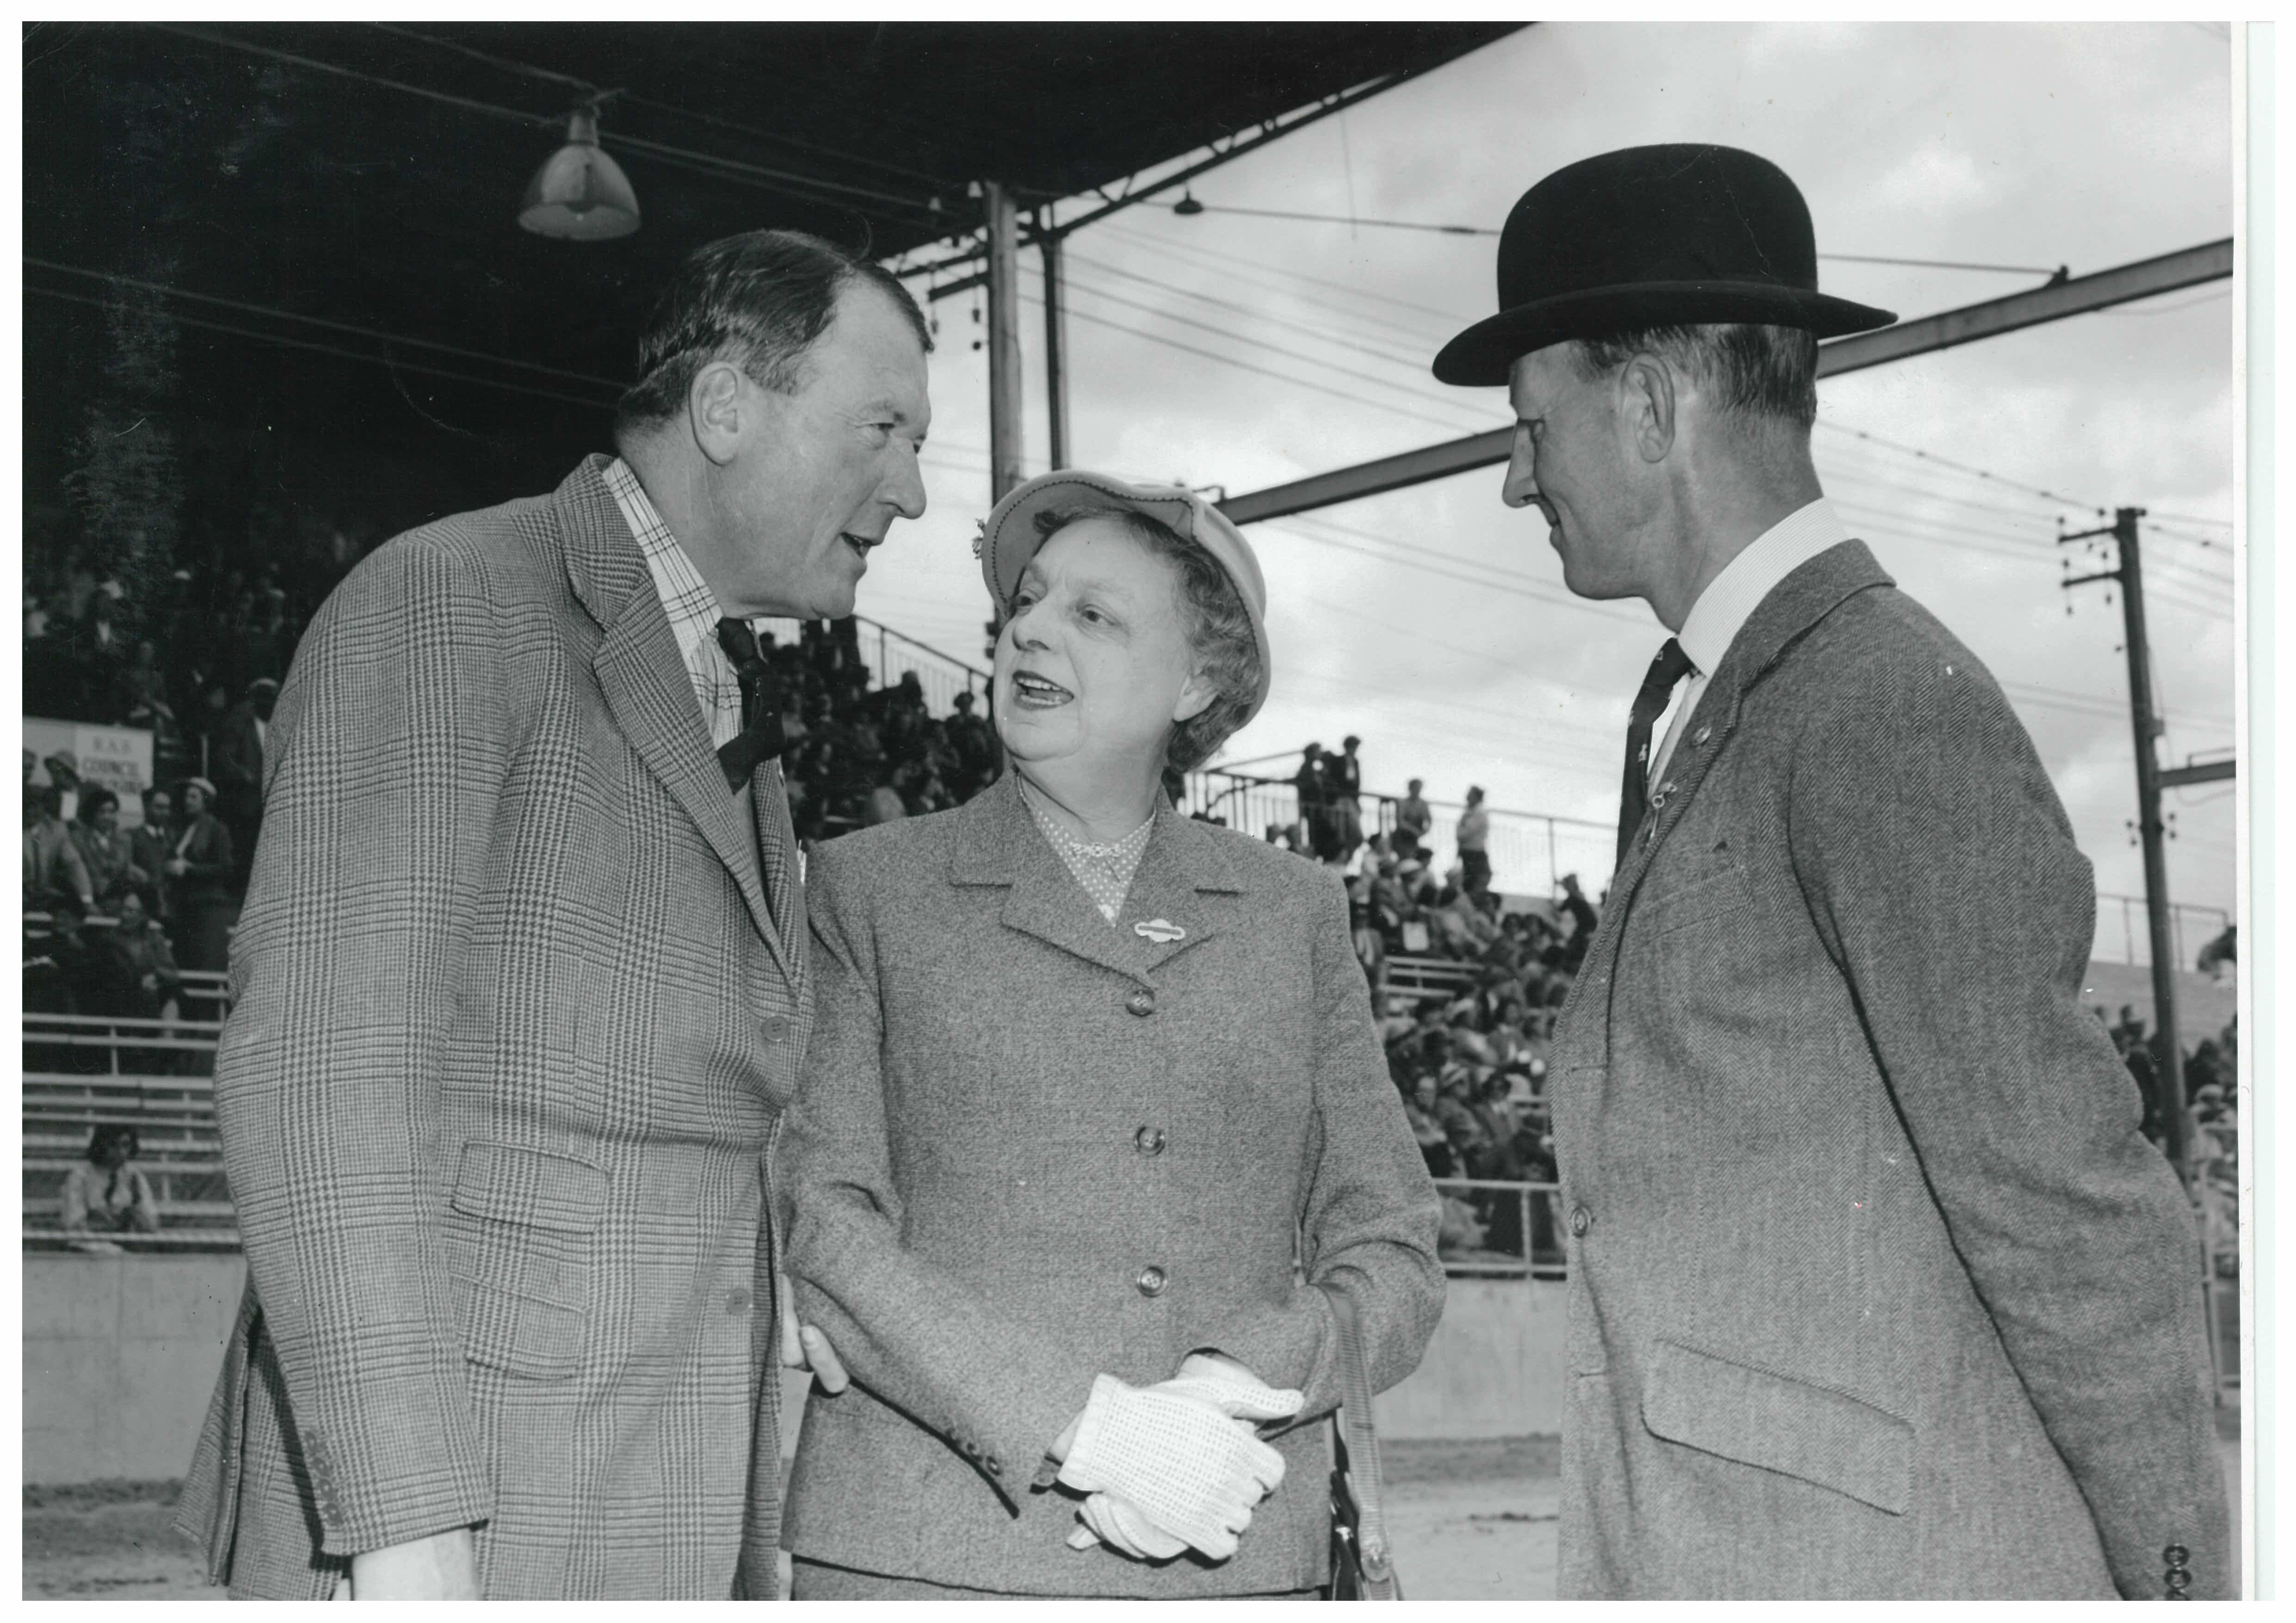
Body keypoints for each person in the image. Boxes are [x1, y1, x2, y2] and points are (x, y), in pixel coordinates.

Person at [1432, 142, 2227, 1598]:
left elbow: (2070, 1212)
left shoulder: (1880, 705)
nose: (1509, 477)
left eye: (1529, 427)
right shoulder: (1725, 697)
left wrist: (2186, 1583)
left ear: (1651, 406)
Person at [174, 229, 929, 1601]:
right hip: (468, 1510)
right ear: (724, 407)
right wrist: (402, 1528)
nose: (916, 492)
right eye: (883, 427)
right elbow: (321, 1083)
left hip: (661, 1484)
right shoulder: (449, 596)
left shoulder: (725, 695)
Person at [778, 470, 1444, 1599]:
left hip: (1228, 1549)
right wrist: (1086, 1428)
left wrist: (1236, 1382)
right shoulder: (867, 887)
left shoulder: (1293, 910)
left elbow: (1393, 1252)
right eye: (1027, 601)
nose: (1030, 627)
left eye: (1093, 613)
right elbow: (824, 1224)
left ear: (1198, 678)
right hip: (928, 1560)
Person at [165, 779, 235, 973]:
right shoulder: (182, 829)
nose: (188, 801)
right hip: (185, 906)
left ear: (205, 801)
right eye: (187, 796)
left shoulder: (217, 830)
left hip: (207, 908)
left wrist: (190, 869)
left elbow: (225, 867)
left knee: (204, 964)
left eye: (194, 797)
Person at [213, 676, 277, 884]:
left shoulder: (278, 725)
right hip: (246, 800)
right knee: (246, 851)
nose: (269, 704)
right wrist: (245, 775)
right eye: (264, 699)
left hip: (271, 799)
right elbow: (226, 757)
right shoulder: (240, 722)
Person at [62, 1125, 162, 1243]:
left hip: (127, 1246)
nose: (121, 1152)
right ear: (101, 1145)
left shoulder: (135, 1176)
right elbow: (74, 1225)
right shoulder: (80, 1176)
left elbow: (152, 1226)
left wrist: (136, 1204)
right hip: (90, 1247)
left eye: (126, 1145)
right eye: (113, 1145)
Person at [69, 787, 151, 912]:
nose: (107, 817)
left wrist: (139, 875)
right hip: (90, 895)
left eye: (112, 812)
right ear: (92, 813)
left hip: (116, 896)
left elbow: (127, 867)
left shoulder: (124, 839)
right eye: (102, 812)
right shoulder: (79, 839)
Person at [25, 784, 96, 916]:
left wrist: (87, 901)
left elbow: (74, 864)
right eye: (25, 806)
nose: (30, 811)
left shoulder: (56, 830)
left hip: (42, 895)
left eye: (35, 807)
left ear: (44, 808)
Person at [131, 786, 180, 922]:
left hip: (173, 908)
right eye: (159, 808)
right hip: (145, 906)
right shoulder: (133, 837)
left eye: (167, 808)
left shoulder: (175, 838)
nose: (165, 813)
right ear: (146, 807)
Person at [1329, 735, 1366, 867]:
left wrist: (1357, 801)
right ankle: (1341, 860)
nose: (1355, 750)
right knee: (1342, 833)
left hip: (1351, 800)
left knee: (1357, 835)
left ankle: (1347, 859)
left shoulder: (1355, 761)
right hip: (1341, 799)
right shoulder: (1338, 760)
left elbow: (1357, 784)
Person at [1454, 786, 1491, 896]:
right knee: (1468, 880)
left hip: (1475, 850)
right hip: (1467, 850)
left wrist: (1459, 833)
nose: (1467, 797)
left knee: (1476, 880)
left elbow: (1466, 833)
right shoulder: (1469, 811)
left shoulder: (1479, 813)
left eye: (1470, 795)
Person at [1393, 778, 1432, 863]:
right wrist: (1414, 831)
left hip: (1414, 839)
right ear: (1410, 789)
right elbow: (1400, 822)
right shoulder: (1403, 803)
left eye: (1419, 789)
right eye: (1416, 788)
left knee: (1413, 858)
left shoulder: (1423, 804)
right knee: (1405, 859)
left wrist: (1425, 831)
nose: (1418, 791)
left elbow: (1429, 820)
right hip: (1402, 837)